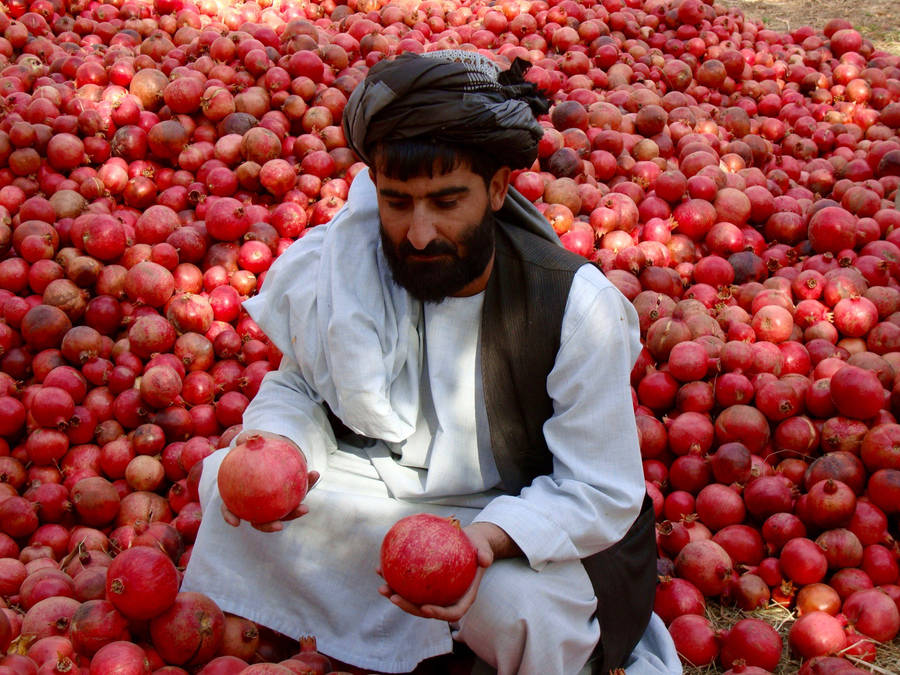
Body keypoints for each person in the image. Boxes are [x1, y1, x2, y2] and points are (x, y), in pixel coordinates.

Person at [182, 51, 681, 675]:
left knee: (506, 605)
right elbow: (299, 389)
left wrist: (483, 543)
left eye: (446, 202)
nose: (418, 234)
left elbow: (599, 491)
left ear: (497, 189)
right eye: (397, 203)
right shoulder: (351, 264)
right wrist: (282, 455)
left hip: (525, 522)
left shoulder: (576, 307)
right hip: (391, 498)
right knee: (220, 481)